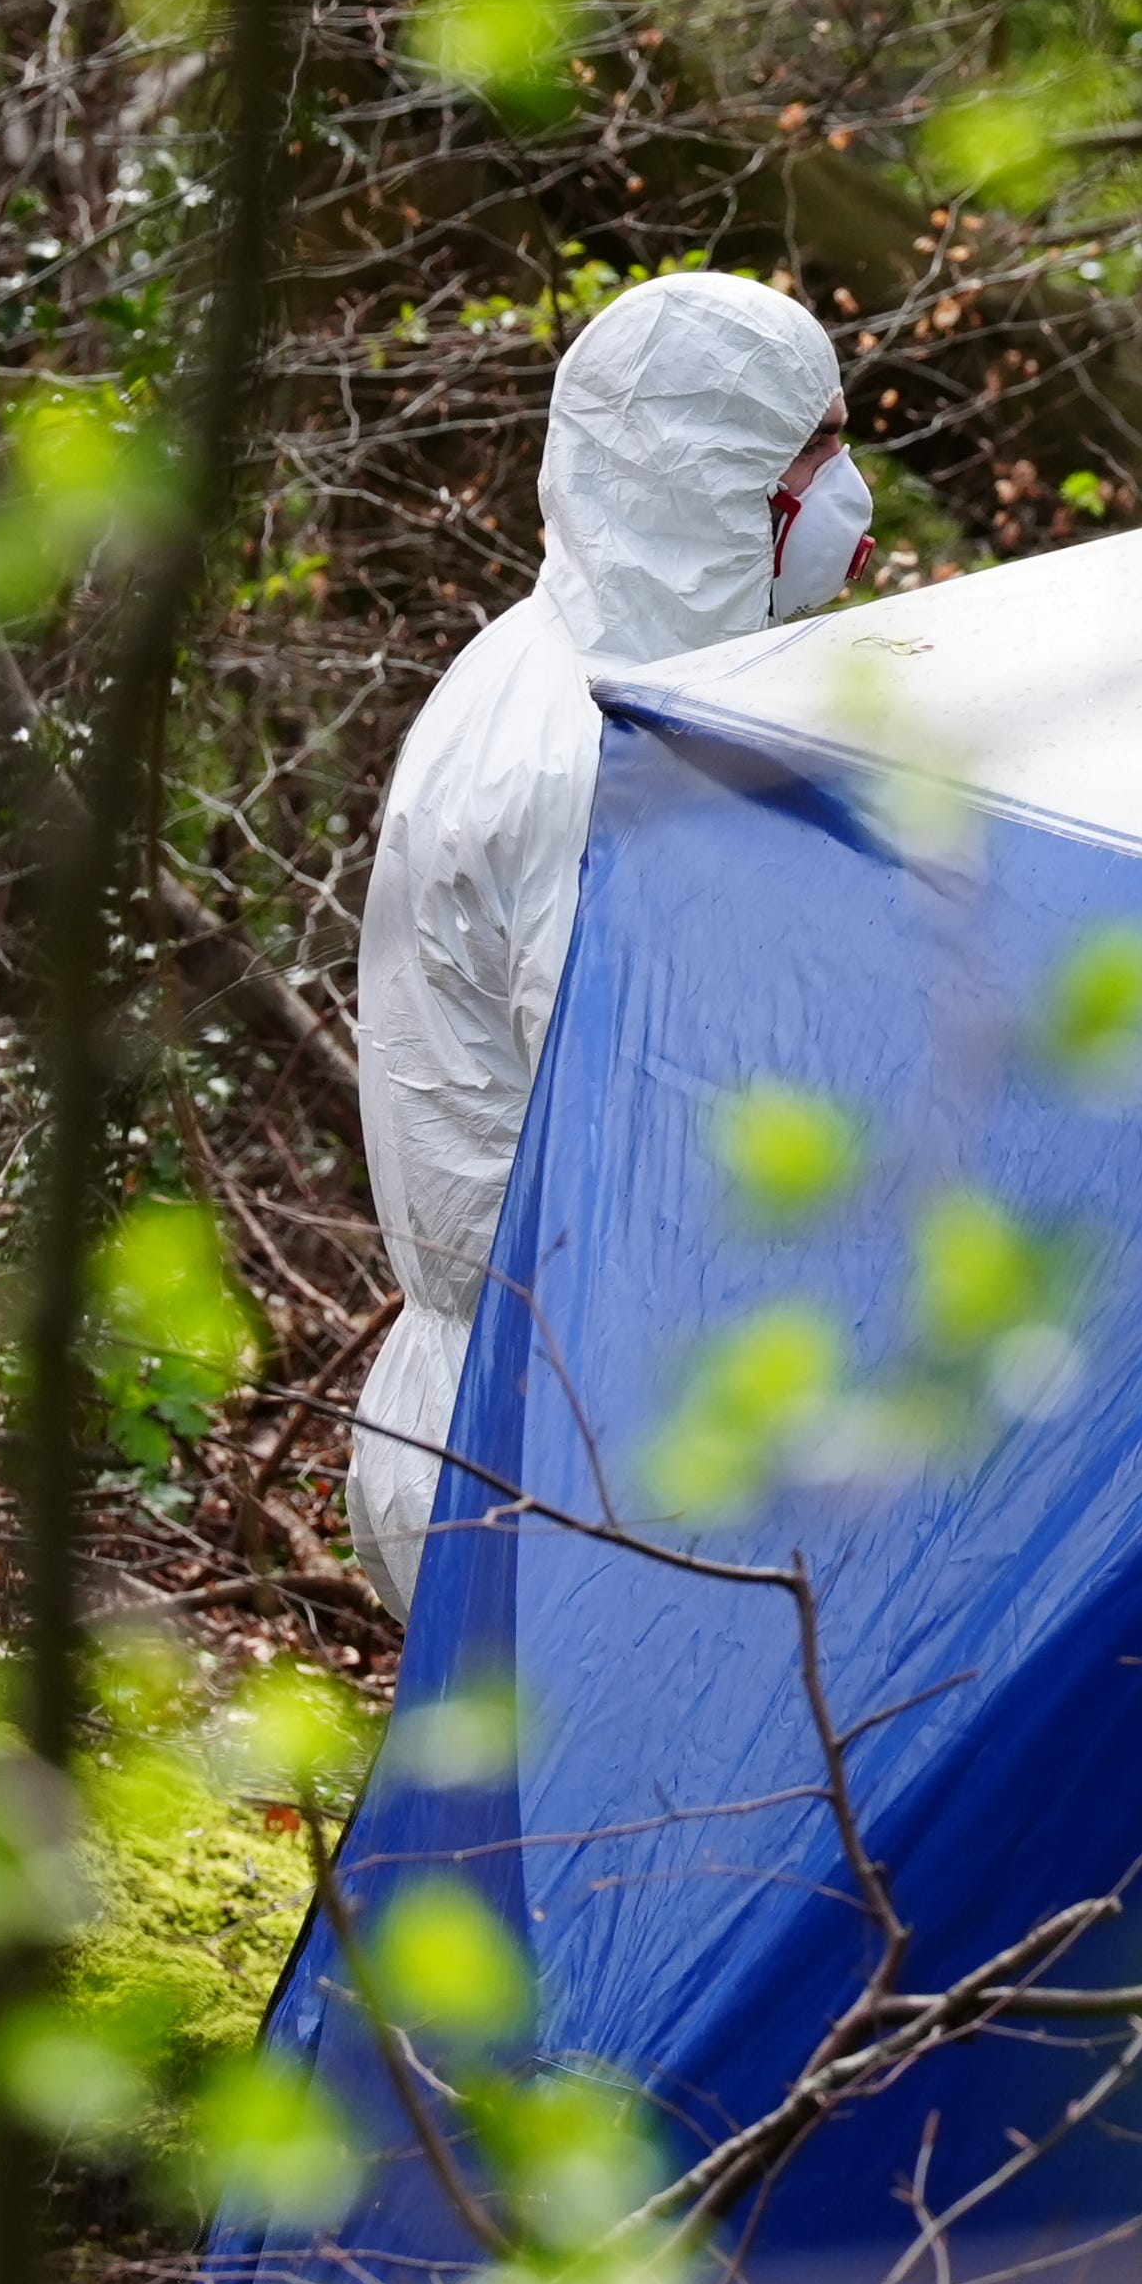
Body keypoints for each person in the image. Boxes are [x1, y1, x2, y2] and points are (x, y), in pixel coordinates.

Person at [347, 272, 875, 1614]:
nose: (846, 500)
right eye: (817, 452)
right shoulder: (603, 771)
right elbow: (654, 1162)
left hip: (520, 1413)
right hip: (569, 1459)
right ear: (719, 485)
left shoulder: (545, 661)